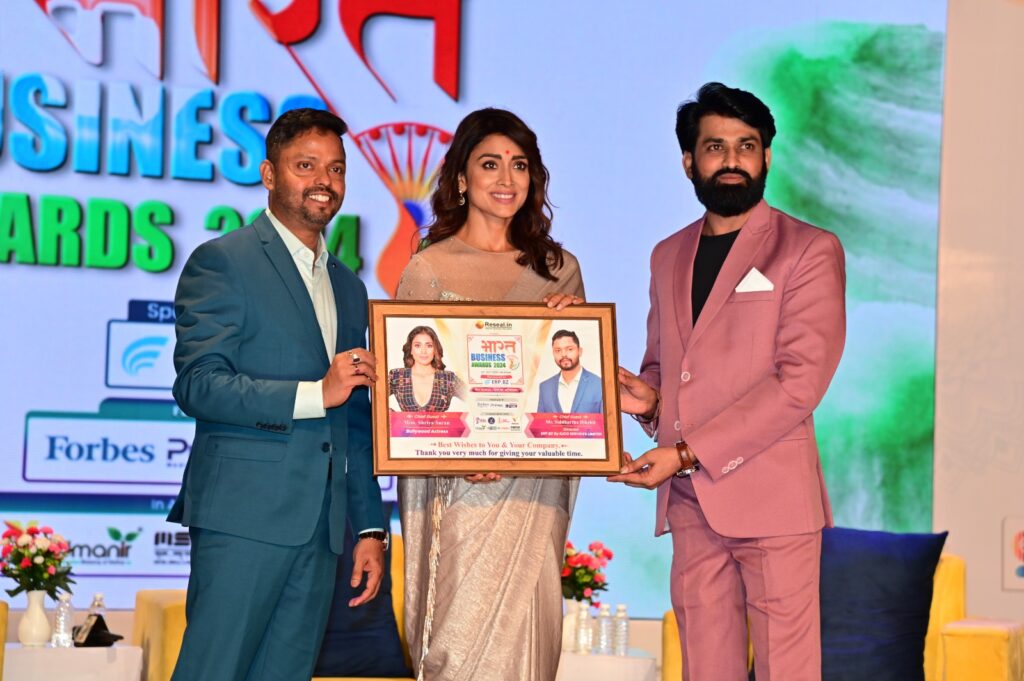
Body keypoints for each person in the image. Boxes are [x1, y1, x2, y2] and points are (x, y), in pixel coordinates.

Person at [609, 83, 846, 681]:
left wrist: (687, 452)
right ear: (689, 161)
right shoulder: (667, 255)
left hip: (774, 501)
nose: (733, 159)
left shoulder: (809, 249)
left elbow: (798, 384)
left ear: (767, 157)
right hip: (692, 505)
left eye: (747, 145)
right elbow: (666, 364)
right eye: (715, 147)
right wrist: (650, 400)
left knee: (787, 671)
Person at [168, 108, 388, 681]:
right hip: (243, 517)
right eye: (305, 166)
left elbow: (356, 417)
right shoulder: (224, 261)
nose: (324, 181)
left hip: (321, 530)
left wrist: (369, 527)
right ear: (269, 174)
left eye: (336, 168)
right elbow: (198, 383)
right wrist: (315, 393)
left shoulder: (349, 285)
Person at [396, 107, 585, 681]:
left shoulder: (559, 271)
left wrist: (574, 327)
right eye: (490, 164)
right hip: (456, 492)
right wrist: (456, 455)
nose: (506, 179)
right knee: (457, 646)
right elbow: (410, 405)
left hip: (530, 494)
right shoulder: (427, 271)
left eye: (519, 165)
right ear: (461, 178)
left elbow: (574, 393)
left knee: (525, 637)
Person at [389, 325, 467, 411]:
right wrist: (391, 414)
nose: (423, 351)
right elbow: (378, 396)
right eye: (417, 345)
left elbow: (475, 399)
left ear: (435, 349)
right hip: (404, 421)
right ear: (411, 349)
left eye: (429, 346)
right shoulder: (396, 376)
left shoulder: (448, 378)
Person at [536, 329, 603, 413]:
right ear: (553, 353)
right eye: (558, 350)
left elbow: (608, 420)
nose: (563, 354)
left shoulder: (599, 385)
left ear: (580, 351)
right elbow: (541, 421)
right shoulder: (545, 387)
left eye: (569, 349)